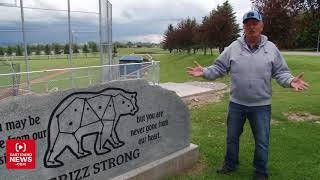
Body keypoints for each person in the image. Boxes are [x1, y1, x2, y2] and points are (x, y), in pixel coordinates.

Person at [187, 10, 309, 180]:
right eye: (247, 23)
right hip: (236, 104)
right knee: (232, 138)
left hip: (261, 105)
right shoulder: (233, 47)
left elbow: (281, 72)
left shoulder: (271, 48)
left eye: (254, 23)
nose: (251, 26)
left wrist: (290, 81)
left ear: (261, 25)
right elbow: (220, 68)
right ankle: (230, 165)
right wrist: (205, 72)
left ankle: (260, 172)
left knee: (262, 142)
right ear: (243, 27)